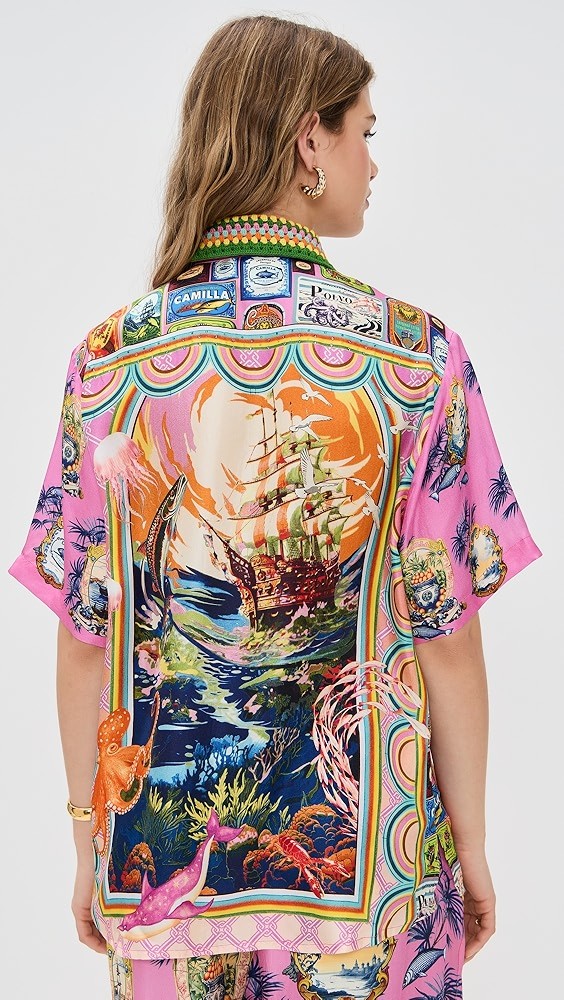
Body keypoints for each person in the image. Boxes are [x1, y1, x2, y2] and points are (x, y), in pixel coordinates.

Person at [8, 13, 542, 1000]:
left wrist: (88, 838)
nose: (373, 162)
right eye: (364, 132)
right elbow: (447, 634)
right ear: (309, 141)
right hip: (377, 888)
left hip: (161, 889)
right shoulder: (418, 360)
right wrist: (470, 845)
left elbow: (86, 634)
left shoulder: (109, 365)